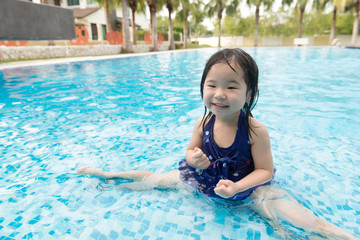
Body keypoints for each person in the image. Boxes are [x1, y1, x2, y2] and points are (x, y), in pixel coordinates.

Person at [76, 48, 358, 240]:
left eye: (232, 86)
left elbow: (265, 171)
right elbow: (189, 151)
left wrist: (237, 187)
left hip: (246, 189)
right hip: (204, 180)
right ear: (203, 87)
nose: (219, 94)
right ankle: (110, 176)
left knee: (290, 215)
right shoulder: (203, 123)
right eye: (212, 85)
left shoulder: (255, 131)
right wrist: (194, 158)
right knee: (155, 179)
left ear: (250, 94)